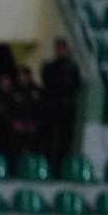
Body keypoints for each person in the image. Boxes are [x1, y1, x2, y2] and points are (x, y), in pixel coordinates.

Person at [40, 38, 82, 171]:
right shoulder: (49, 66)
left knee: (65, 139)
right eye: (58, 48)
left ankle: (62, 167)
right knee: (49, 139)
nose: (60, 51)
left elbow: (75, 86)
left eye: (62, 48)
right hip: (51, 107)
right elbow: (47, 84)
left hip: (66, 108)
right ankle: (48, 166)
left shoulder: (72, 68)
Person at [9, 66, 43, 165]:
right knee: (14, 151)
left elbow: (41, 110)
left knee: (33, 151)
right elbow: (10, 109)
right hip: (17, 128)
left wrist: (35, 124)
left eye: (24, 75)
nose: (22, 78)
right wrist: (14, 122)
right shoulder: (14, 90)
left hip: (32, 128)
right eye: (20, 75)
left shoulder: (36, 90)